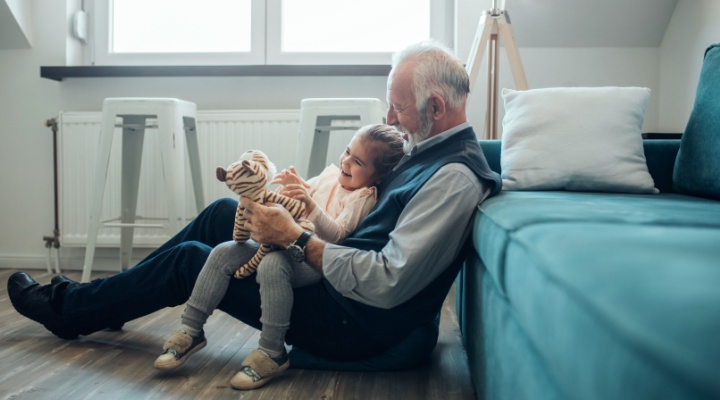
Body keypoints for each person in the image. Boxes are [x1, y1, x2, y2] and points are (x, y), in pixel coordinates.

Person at [7, 40, 502, 391]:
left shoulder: (452, 178)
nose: (390, 118)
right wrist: (296, 205)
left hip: (355, 321)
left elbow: (389, 282)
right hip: (334, 281)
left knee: (193, 260)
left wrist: (297, 239)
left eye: (397, 108)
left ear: (435, 106)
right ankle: (107, 304)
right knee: (225, 211)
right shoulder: (428, 148)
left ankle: (67, 311)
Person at [153, 124, 405, 389]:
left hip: (311, 258)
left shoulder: (363, 197)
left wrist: (309, 204)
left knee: (272, 266)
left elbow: (337, 235)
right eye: (347, 152)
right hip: (280, 240)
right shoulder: (332, 174)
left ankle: (272, 351)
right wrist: (293, 189)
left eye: (358, 162)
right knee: (222, 252)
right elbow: (299, 198)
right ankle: (190, 330)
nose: (346, 162)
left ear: (377, 177)